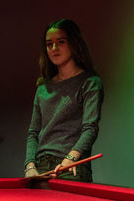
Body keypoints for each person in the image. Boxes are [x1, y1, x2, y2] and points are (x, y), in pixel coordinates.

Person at [24, 19, 104, 182]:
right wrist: (30, 166)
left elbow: (90, 128)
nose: (54, 48)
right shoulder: (42, 88)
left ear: (74, 44)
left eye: (60, 42)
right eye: (49, 44)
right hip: (41, 167)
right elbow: (33, 132)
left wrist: (71, 157)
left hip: (71, 167)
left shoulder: (89, 83)